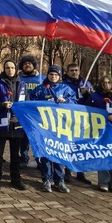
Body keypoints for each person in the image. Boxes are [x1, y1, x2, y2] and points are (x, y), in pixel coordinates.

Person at [30, 65, 76, 193]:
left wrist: (66, 101)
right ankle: (46, 179)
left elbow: (75, 104)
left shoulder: (66, 89)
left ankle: (59, 180)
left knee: (59, 153)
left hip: (60, 127)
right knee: (45, 154)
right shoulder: (40, 89)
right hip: (44, 127)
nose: (53, 77)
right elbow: (31, 104)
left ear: (59, 76)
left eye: (56, 75)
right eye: (51, 74)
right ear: (47, 75)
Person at [0, 60, 27, 191]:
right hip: (0, 124)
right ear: (4, 69)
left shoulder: (22, 85)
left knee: (15, 155)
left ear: (16, 69)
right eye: (7, 68)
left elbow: (27, 104)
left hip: (16, 125)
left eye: (12, 67)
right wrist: (1, 105)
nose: (10, 70)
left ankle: (16, 179)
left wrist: (20, 116)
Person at [88, 76, 112, 194]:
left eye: (109, 82)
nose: (106, 85)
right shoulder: (94, 97)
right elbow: (86, 111)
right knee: (102, 157)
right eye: (104, 83)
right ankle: (103, 182)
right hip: (100, 133)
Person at [64, 63, 93, 184]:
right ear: (67, 71)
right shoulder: (63, 84)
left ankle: (81, 172)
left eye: (76, 70)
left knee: (81, 146)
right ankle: (68, 171)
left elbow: (93, 100)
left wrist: (87, 93)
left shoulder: (86, 83)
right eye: (71, 70)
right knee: (68, 145)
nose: (74, 72)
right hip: (68, 119)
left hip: (83, 119)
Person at [17, 54, 43, 165]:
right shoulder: (18, 78)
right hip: (23, 112)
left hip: (37, 113)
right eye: (25, 63)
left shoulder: (42, 79)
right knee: (23, 137)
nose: (27, 65)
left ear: (34, 65)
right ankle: (24, 157)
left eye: (30, 63)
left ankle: (40, 158)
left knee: (37, 136)